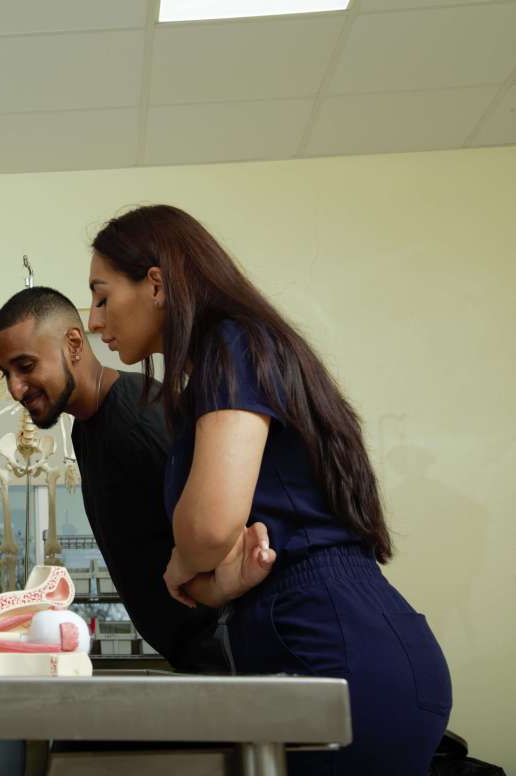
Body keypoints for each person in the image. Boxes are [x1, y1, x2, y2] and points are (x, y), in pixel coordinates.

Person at [87, 204, 452, 774]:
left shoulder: (232, 345)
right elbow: (217, 560)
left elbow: (209, 530)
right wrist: (210, 579)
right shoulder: (218, 369)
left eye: (102, 296)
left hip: (340, 656)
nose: (94, 320)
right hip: (320, 643)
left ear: (155, 284)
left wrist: (184, 561)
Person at [0, 286, 274, 672]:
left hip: (229, 648)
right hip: (192, 653)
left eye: (26, 366)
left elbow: (227, 535)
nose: (15, 388)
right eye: (6, 373)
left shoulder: (138, 417)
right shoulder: (87, 429)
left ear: (74, 344)